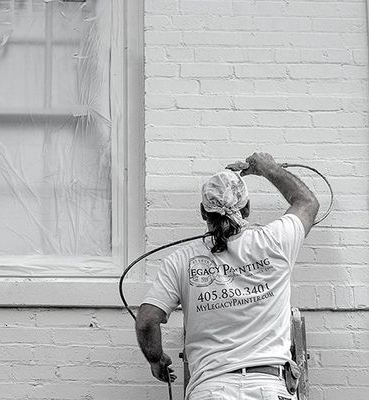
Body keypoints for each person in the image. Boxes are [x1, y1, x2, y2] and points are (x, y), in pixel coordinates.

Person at [135, 152, 320, 400]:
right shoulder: (274, 242)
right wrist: (268, 169)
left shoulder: (180, 261)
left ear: (203, 212)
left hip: (210, 390)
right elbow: (307, 202)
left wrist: (156, 359)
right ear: (247, 209)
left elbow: (147, 320)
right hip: (269, 386)